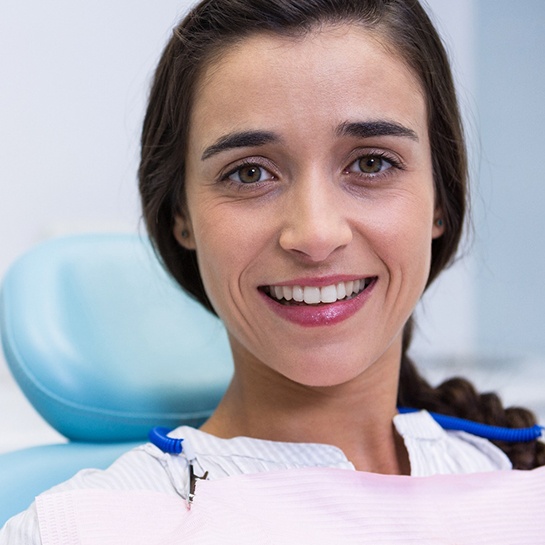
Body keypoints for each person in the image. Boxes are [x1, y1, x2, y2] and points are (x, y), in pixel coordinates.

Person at [2, 0, 544, 542]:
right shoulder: (82, 528)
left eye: (371, 163)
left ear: (440, 202)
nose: (314, 234)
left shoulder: (523, 487)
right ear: (181, 218)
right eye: (249, 173)